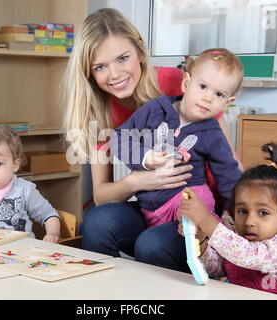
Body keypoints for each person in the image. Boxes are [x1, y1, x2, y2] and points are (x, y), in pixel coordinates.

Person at [62, 8, 240, 272]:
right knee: (97, 222)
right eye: (100, 66)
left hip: (199, 209)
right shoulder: (99, 109)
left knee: (152, 245)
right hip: (152, 202)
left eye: (123, 58)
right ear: (89, 72)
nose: (114, 74)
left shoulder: (181, 84)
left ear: (140, 49)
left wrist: (237, 218)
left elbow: (229, 159)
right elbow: (101, 195)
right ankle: (103, 295)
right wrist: (139, 180)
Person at [110, 48, 243, 228]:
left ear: (226, 103)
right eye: (203, 86)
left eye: (219, 94)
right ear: (186, 83)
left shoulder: (212, 133)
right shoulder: (155, 109)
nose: (208, 98)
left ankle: (202, 228)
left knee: (196, 203)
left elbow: (229, 173)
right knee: (107, 223)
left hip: (185, 195)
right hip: (149, 205)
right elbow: (119, 138)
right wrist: (145, 157)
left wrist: (232, 210)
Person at [179, 142, 277, 299]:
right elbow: (218, 269)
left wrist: (205, 219)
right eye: (242, 211)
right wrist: (201, 238)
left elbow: (245, 255)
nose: (249, 221)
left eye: (263, 212)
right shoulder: (239, 240)